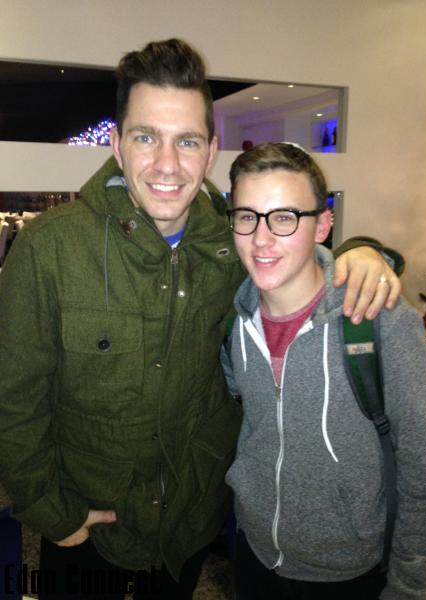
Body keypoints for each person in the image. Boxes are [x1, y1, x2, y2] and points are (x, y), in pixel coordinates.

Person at [0, 39, 401, 600]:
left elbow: (299, 254)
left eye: (186, 141)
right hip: (88, 527)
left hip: (189, 526)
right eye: (146, 137)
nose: (167, 164)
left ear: (211, 150)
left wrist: (365, 252)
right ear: (116, 144)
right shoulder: (50, 249)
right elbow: (14, 398)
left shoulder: (237, 244)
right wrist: (51, 511)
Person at [223, 142, 426, 600]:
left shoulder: (380, 320)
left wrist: (410, 585)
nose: (261, 238)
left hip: (348, 571)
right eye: (247, 216)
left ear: (322, 225)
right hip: (253, 553)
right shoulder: (236, 321)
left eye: (284, 217)